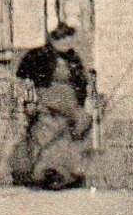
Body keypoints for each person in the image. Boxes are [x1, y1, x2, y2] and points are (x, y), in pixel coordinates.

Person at [16, 23, 92, 190]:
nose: (67, 42)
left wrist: (81, 102)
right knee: (47, 132)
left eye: (69, 38)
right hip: (48, 102)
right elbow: (26, 81)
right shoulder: (39, 55)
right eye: (62, 39)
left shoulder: (73, 58)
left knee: (79, 125)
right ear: (54, 39)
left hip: (70, 104)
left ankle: (66, 174)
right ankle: (49, 173)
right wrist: (30, 102)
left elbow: (81, 83)